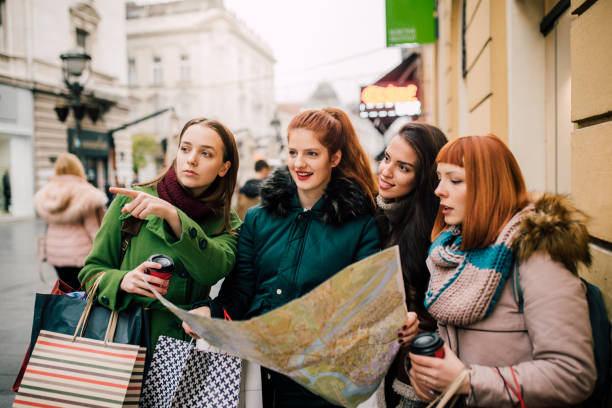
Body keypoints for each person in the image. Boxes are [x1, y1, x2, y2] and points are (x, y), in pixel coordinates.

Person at [183, 107, 381, 407]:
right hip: (257, 373)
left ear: (335, 158)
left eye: (312, 154)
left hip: (319, 379)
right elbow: (239, 290)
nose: (299, 163)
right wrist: (211, 313)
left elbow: (363, 306)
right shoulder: (257, 219)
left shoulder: (361, 224)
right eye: (292, 152)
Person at [408, 135, 596, 406]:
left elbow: (572, 375)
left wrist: (467, 381)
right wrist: (431, 375)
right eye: (440, 178)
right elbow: (457, 345)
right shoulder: (451, 252)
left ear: (489, 187)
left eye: (455, 180)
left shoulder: (536, 257)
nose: (439, 190)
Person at [79, 118, 242, 352]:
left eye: (206, 154)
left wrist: (174, 217)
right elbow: (90, 273)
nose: (191, 159)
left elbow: (211, 271)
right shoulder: (132, 199)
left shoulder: (227, 222)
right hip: (123, 340)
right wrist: (123, 280)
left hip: (183, 348)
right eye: (185, 149)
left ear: (224, 167)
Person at [374, 123, 447, 407]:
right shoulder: (376, 217)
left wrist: (420, 327)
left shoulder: (436, 233)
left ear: (424, 178)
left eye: (403, 168)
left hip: (413, 377)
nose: (386, 171)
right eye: (387, 158)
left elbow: (441, 312)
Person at [33, 153, 107, 289]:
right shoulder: (87, 194)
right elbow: (96, 231)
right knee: (85, 296)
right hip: (82, 255)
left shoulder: (47, 192)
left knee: (68, 293)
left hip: (55, 254)